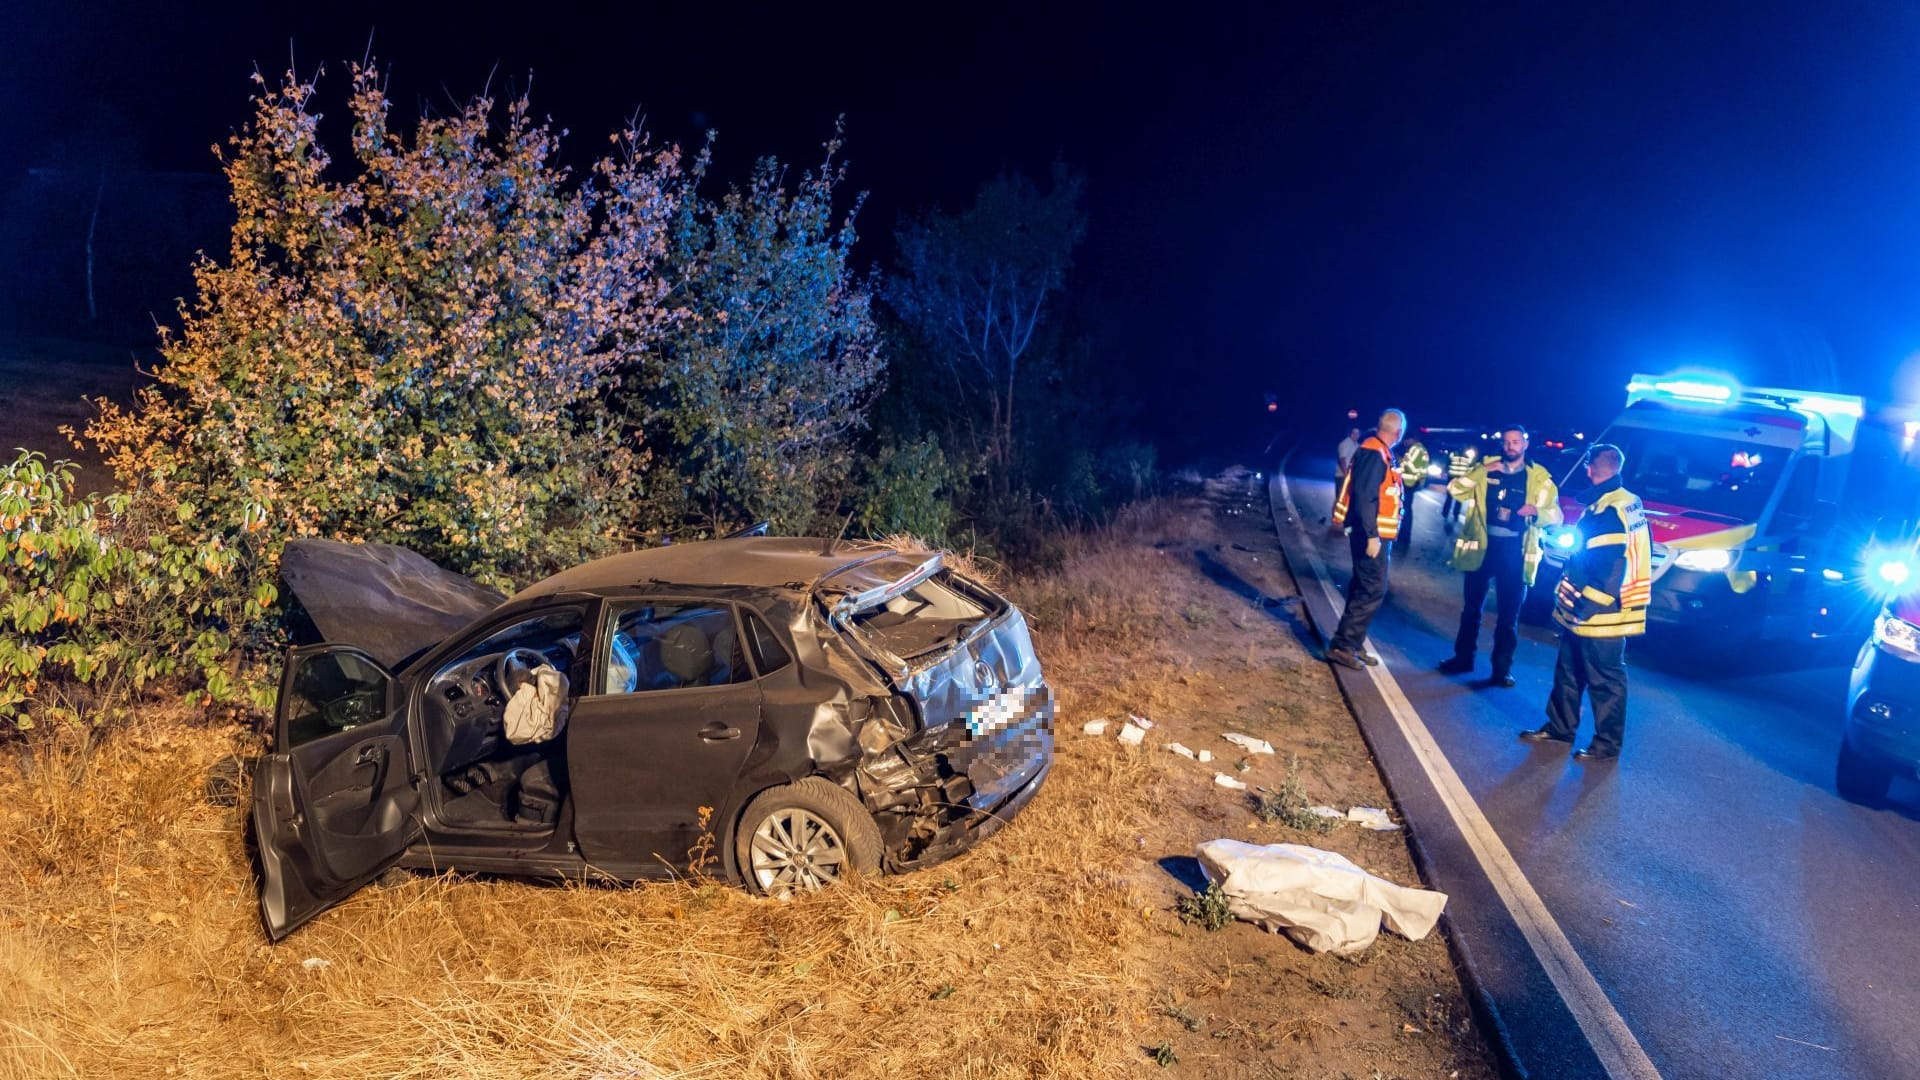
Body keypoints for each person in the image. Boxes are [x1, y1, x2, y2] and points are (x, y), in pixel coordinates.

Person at [1520, 444, 1652, 762]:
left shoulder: (1610, 509)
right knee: (1569, 671)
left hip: (1601, 614)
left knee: (1604, 680)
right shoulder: (1619, 501)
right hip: (1589, 610)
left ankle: (1606, 745)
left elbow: (1610, 567)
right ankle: (1560, 728)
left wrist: (1587, 607)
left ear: (1591, 468)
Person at [1437, 425, 1561, 687]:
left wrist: (1537, 512)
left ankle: (1501, 670)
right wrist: (1481, 471)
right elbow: (1456, 489)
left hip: (1515, 552)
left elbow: (1557, 516)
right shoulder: (1486, 469)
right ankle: (1463, 659)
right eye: (1507, 442)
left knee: (1508, 617)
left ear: (1525, 444)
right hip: (1482, 548)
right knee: (1471, 610)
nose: (1510, 447)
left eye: (1516, 442)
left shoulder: (1539, 478)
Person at [1326, 409, 1407, 670]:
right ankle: (1343, 645)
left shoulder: (1379, 450)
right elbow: (1365, 496)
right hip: (1371, 534)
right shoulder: (1375, 452)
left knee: (1365, 586)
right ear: (1398, 433)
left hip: (1376, 533)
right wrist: (1372, 536)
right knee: (1372, 588)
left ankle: (1352, 641)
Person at [1395, 434, 1432, 555]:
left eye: (1406, 439)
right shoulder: (1420, 449)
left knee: (1405, 510)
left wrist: (1401, 460)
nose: (1404, 442)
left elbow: (1411, 467)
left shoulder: (1416, 449)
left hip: (1408, 482)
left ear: (1413, 438)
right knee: (1406, 509)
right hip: (1411, 482)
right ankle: (1404, 536)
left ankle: (1404, 536)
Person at [1440, 440, 1477, 529]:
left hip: (1459, 479)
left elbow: (1471, 467)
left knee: (1456, 498)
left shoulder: (1467, 457)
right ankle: (1448, 513)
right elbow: (1448, 464)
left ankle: (1453, 513)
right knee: (1451, 497)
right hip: (1453, 478)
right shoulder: (1454, 454)